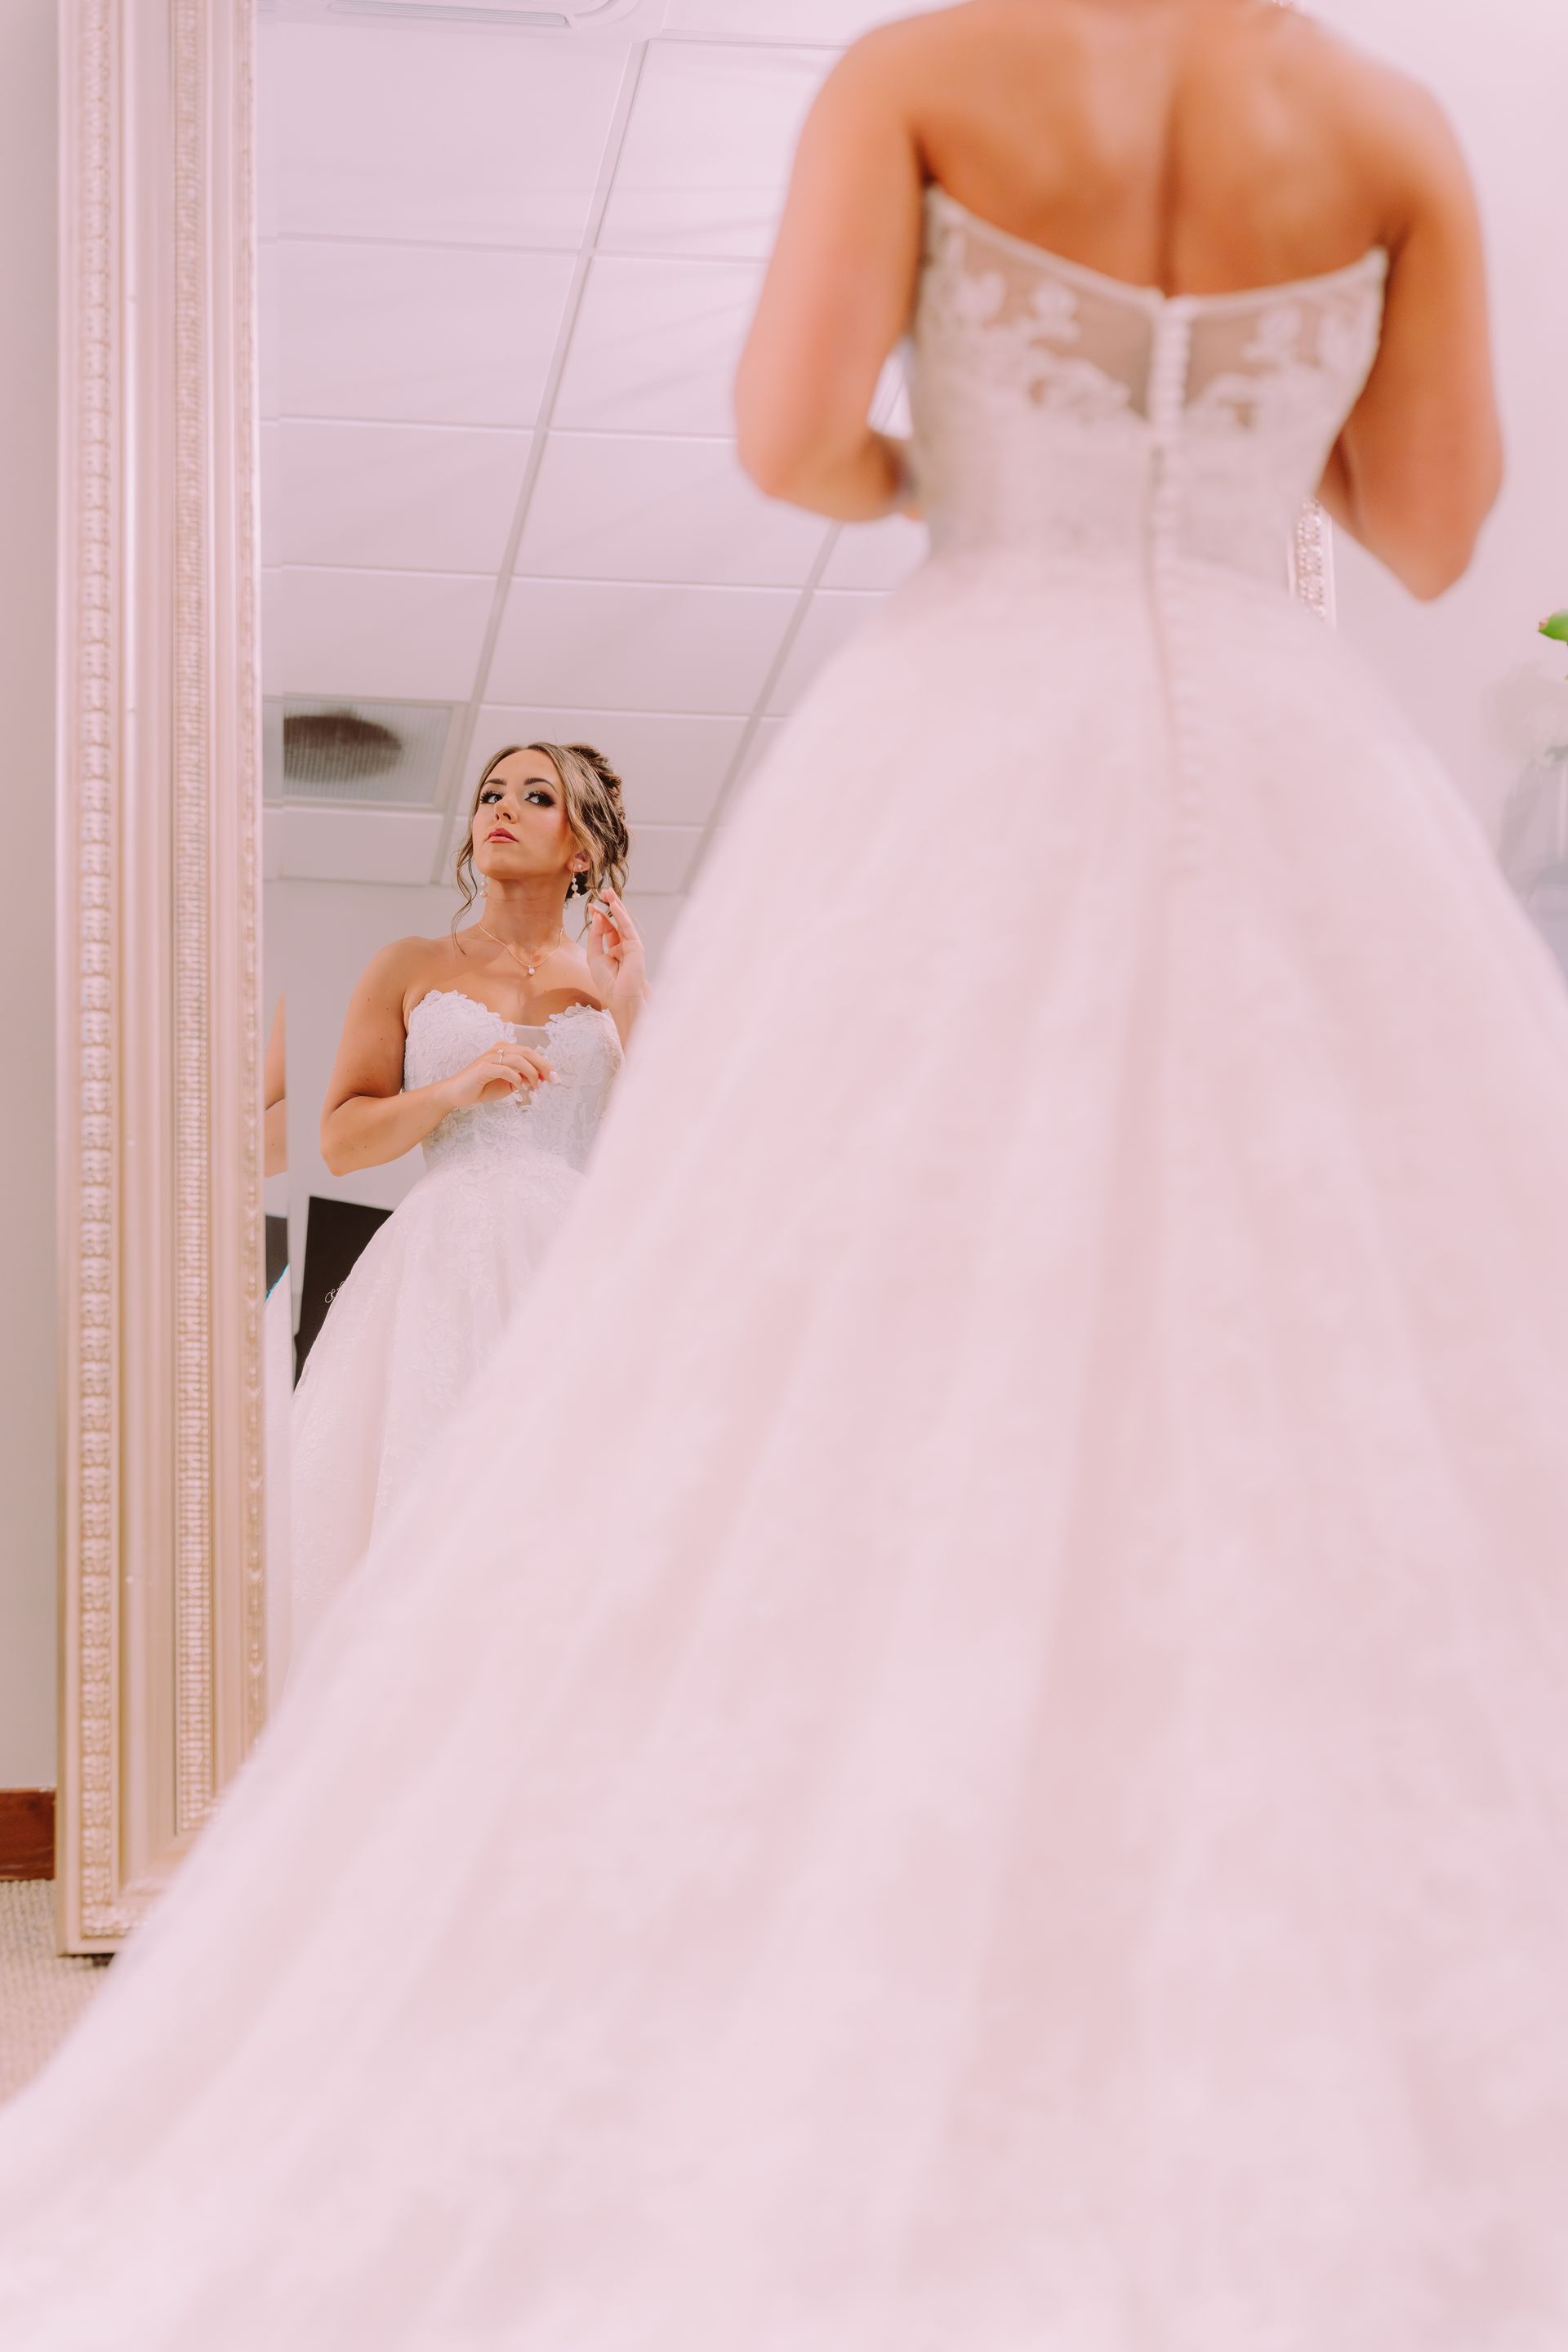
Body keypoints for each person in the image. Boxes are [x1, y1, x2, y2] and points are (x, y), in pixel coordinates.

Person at [2, 3, 1566, 2341]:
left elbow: (789, 433)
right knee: (1302, 1286)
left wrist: (1003, 473)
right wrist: (1221, 461)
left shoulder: (933, 69)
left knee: (882, 1313)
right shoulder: (1389, 122)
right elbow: (1436, 527)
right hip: (1276, 734)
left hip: (978, 717)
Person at [285, 742, 645, 1668]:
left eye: (535, 797)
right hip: (439, 1260)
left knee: (569, 1509)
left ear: (581, 849)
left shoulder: (609, 981)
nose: (503, 808)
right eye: (491, 792)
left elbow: (673, 1145)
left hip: (571, 1265)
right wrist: (453, 1091)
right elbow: (341, 1139)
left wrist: (632, 991)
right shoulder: (410, 964)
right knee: (427, 1490)